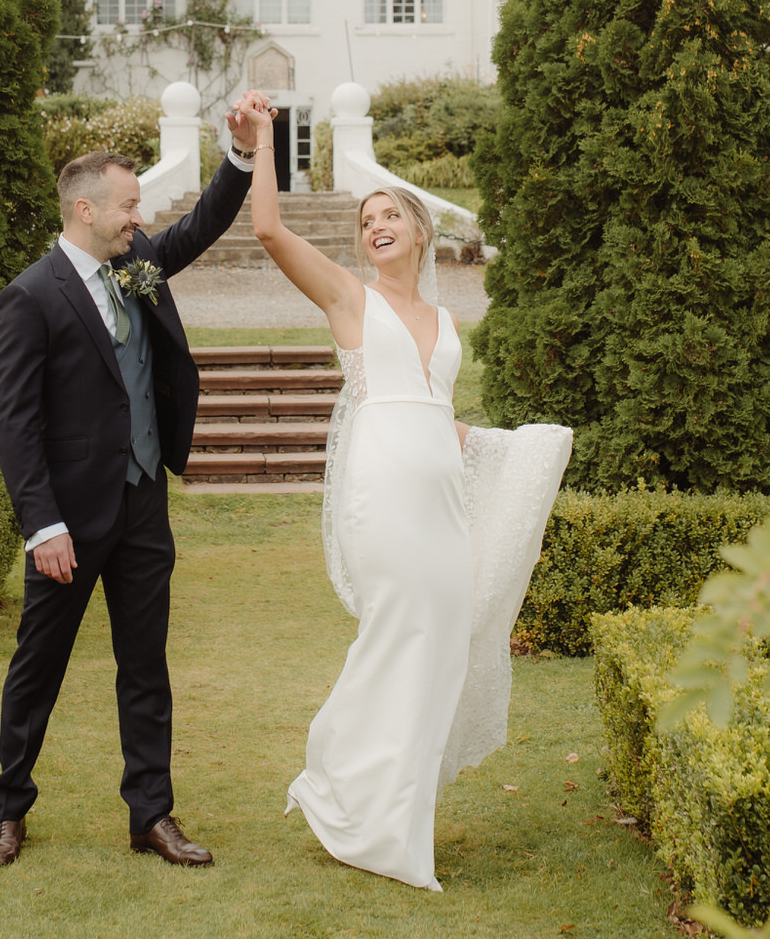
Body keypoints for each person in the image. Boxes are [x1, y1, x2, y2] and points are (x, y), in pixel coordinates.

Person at [235, 97, 572, 891]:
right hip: (380, 497)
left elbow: (439, 417)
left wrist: (515, 449)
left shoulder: (447, 320)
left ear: (419, 231)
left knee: (445, 646)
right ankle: (340, 789)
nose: (375, 226)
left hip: (442, 505)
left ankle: (398, 816)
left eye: (389, 215)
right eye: (366, 219)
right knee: (396, 637)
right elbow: (269, 233)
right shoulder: (351, 299)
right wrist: (262, 149)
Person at [0, 93, 273, 869]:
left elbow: (198, 227)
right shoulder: (31, 294)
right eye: (129, 205)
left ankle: (152, 814)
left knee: (146, 666)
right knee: (37, 667)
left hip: (143, 504)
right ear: (85, 208)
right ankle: (7, 810)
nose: (139, 218)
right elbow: (14, 421)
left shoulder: (137, 265)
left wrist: (240, 156)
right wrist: (42, 525)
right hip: (68, 521)